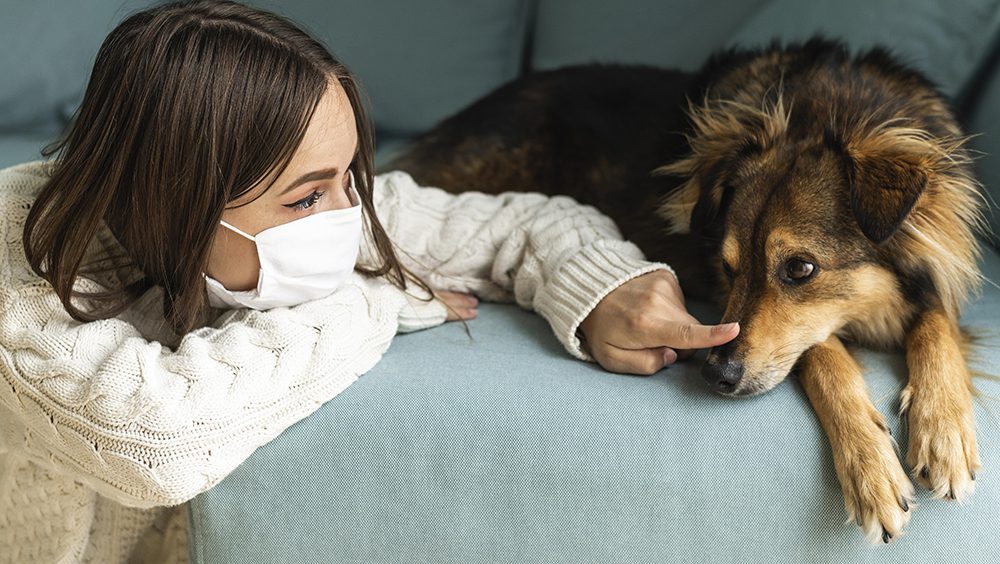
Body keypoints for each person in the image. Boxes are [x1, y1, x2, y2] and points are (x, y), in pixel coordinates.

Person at [0, 1, 739, 562]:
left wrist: (608, 287)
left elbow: (522, 224)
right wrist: (378, 297)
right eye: (306, 197)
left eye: (347, 176)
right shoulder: (19, 267)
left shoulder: (320, 210)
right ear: (177, 199)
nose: (348, 216)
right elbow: (150, 437)